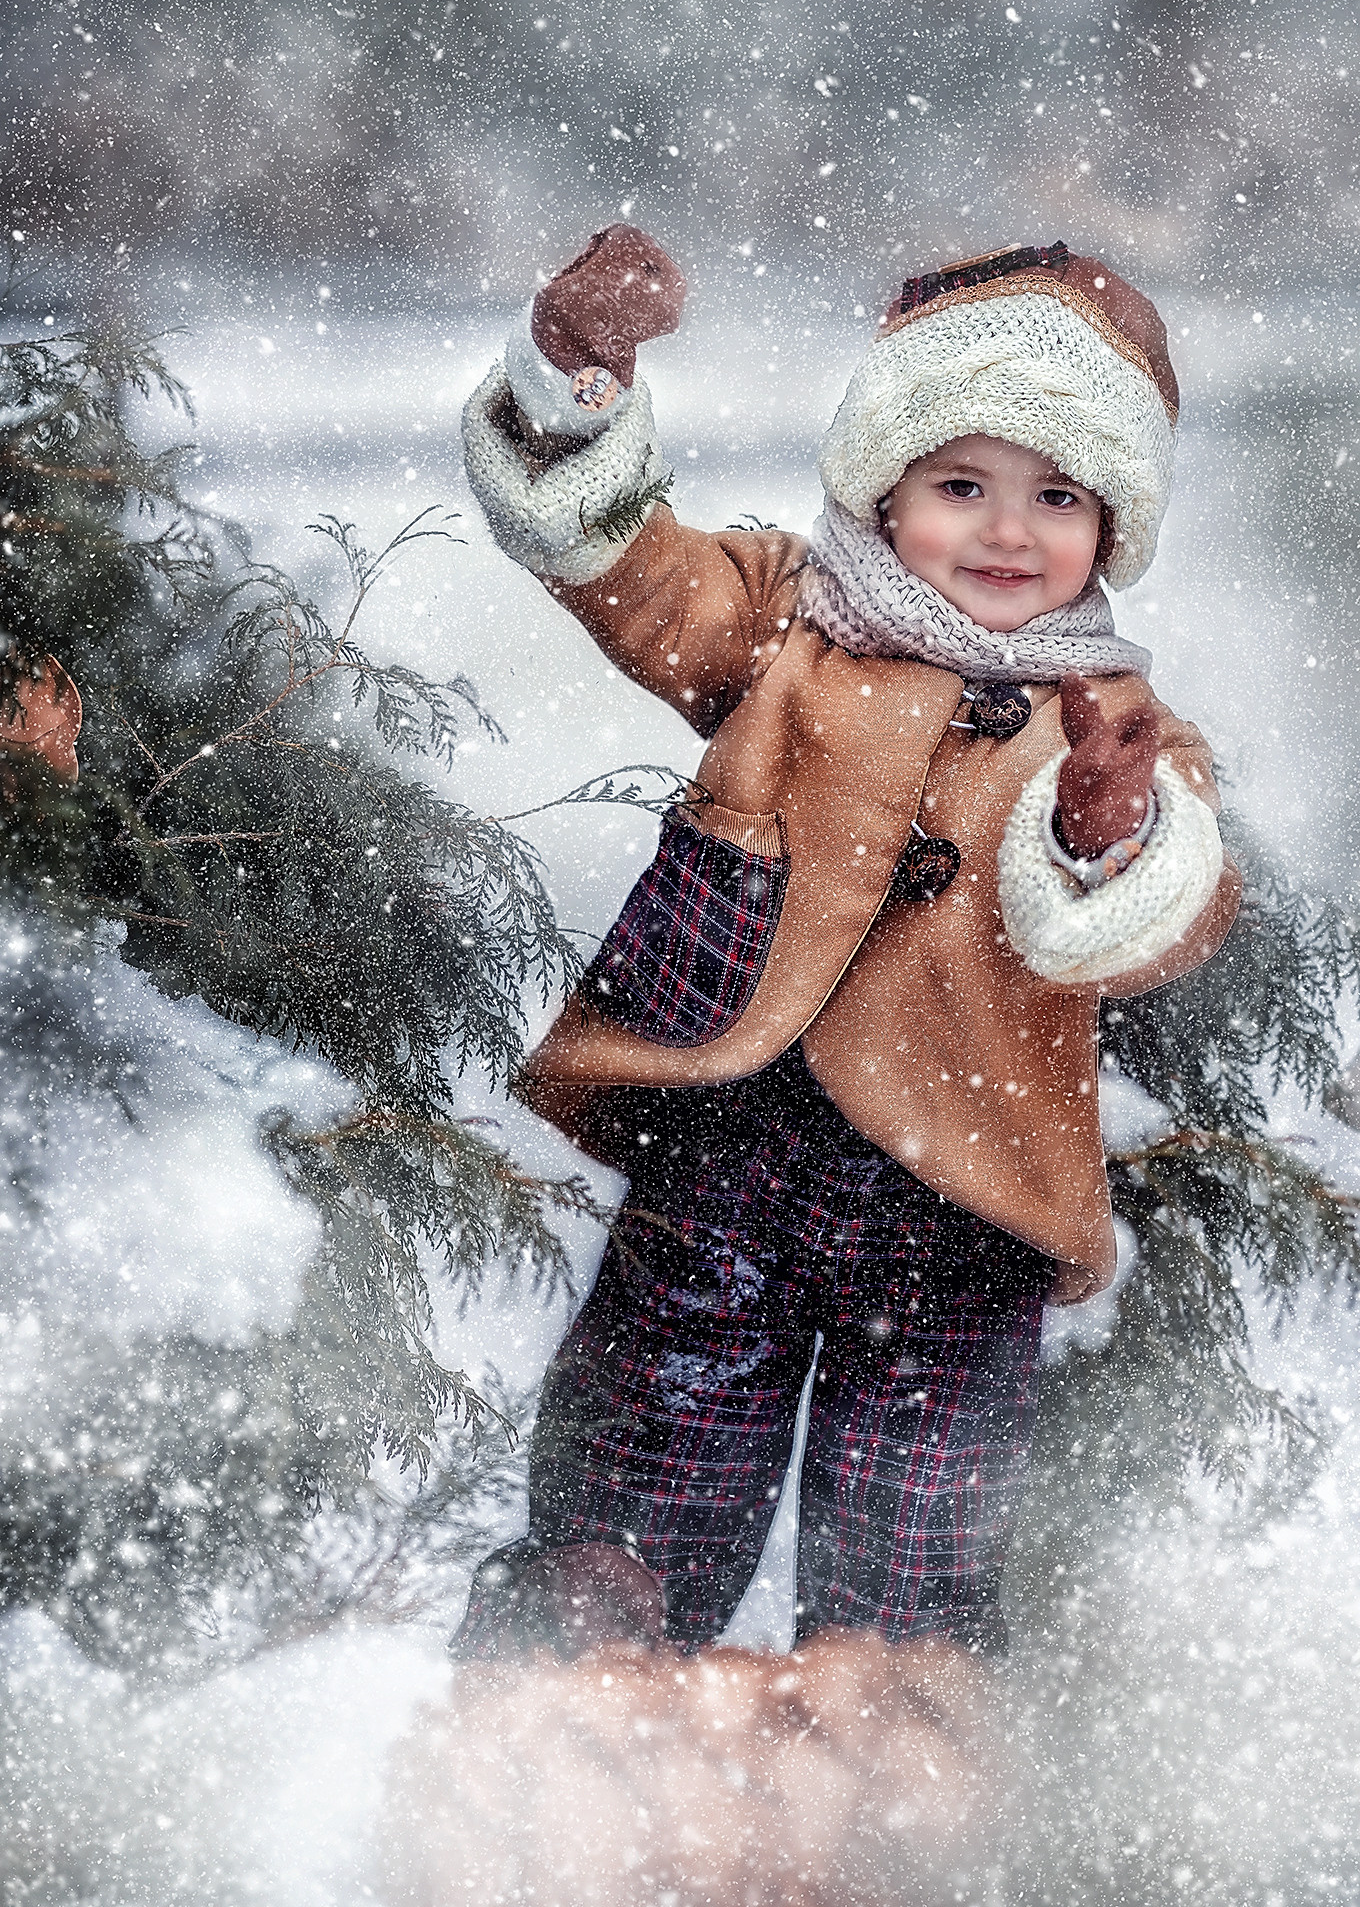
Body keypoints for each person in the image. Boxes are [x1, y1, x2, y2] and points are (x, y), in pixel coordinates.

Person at [454, 230, 1241, 1660]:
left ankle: (888, 1763)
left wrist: (1103, 834)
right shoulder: (788, 619)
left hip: (965, 1193)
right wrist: (577, 378)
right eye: (961, 486)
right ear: (886, 487)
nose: (1008, 533)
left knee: (915, 1545)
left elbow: (1173, 917)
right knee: (644, 1454)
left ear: (1110, 525)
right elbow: (629, 569)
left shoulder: (1112, 726)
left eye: (1057, 496)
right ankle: (576, 1704)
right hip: (729, 1148)